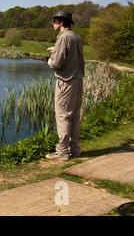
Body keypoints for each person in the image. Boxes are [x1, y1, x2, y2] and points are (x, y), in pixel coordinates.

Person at [46, 10, 85, 161]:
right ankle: (74, 149)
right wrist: (56, 51)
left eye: (54, 21)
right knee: (74, 115)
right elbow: (72, 55)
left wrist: (51, 59)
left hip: (66, 82)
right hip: (77, 81)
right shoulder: (76, 36)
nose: (52, 23)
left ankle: (62, 151)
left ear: (61, 22)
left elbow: (57, 63)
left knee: (62, 116)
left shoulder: (63, 38)